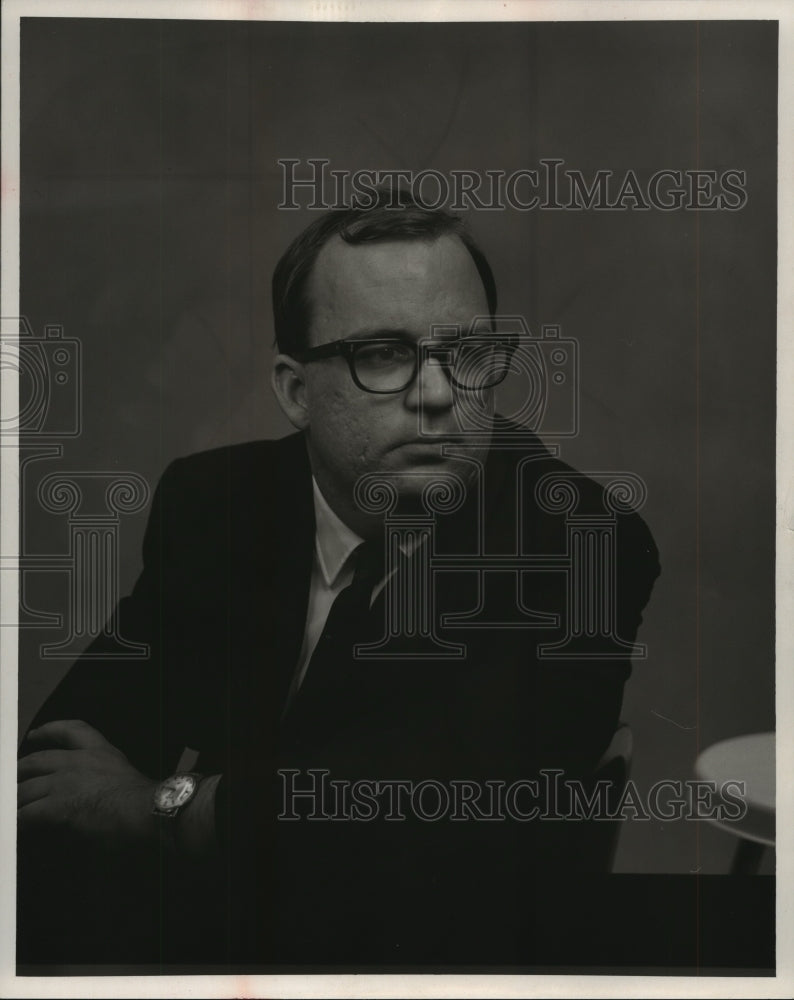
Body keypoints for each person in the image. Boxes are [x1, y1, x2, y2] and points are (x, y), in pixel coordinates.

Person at [17, 191, 660, 968]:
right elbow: (63, 770)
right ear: (295, 391)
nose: (437, 395)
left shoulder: (582, 542)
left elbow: (431, 811)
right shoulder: (216, 503)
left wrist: (161, 808)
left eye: (468, 352)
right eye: (382, 354)